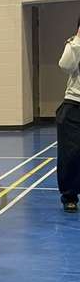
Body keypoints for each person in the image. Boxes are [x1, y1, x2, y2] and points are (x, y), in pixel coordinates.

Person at [56, 18, 80, 211]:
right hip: (74, 105)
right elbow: (65, 66)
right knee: (70, 154)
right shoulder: (73, 44)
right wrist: (78, 39)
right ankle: (69, 195)